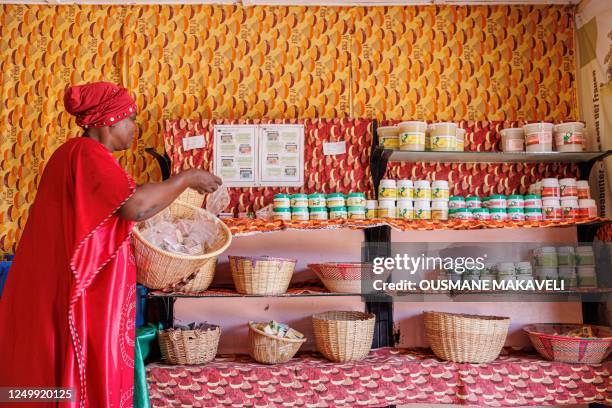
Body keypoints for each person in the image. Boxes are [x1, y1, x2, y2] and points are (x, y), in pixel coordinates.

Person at [0, 82, 222, 408]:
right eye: (130, 118)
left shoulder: (78, 157)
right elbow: (136, 206)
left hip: (80, 293)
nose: (134, 127)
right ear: (109, 120)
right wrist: (184, 179)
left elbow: (105, 233)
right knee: (76, 382)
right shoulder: (86, 154)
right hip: (81, 299)